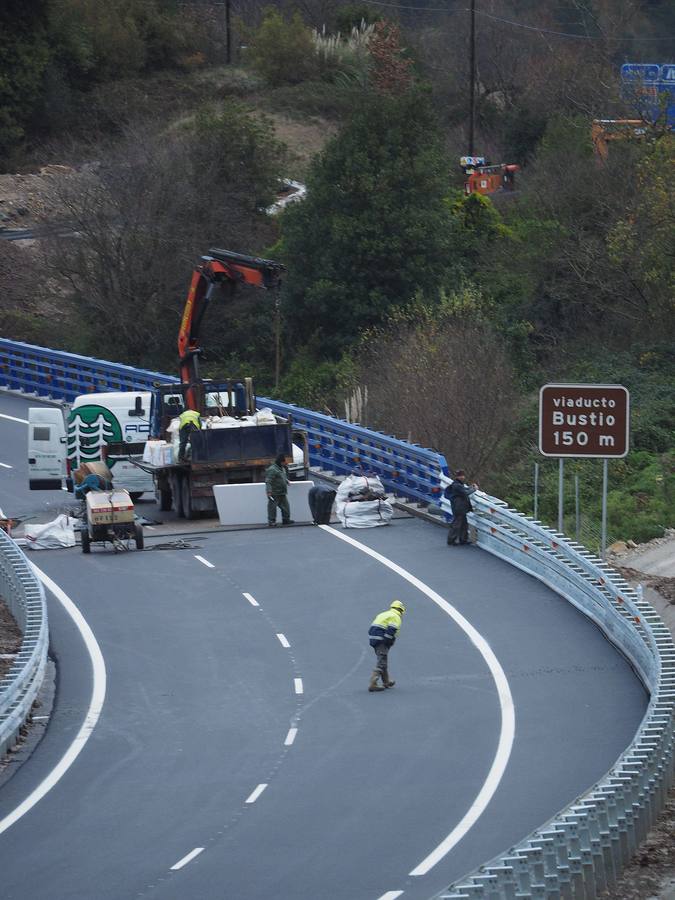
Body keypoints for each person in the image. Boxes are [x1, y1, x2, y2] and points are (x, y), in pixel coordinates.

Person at [367, 599, 406, 692]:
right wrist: (388, 642)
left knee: (383, 659)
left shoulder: (383, 614)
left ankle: (386, 681)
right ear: (401, 610)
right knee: (382, 661)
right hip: (381, 640)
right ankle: (373, 683)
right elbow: (391, 631)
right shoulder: (396, 617)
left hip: (373, 638)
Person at [445, 469, 478, 546]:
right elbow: (466, 492)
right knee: (457, 524)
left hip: (460, 507)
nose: (462, 477)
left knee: (463, 524)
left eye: (463, 475)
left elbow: (464, 490)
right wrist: (474, 489)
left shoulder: (458, 484)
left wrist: (470, 487)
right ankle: (451, 540)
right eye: (460, 476)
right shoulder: (456, 485)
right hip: (458, 507)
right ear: (457, 477)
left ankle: (463, 539)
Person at [265, 452, 294, 526]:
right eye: (284, 462)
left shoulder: (282, 468)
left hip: (282, 492)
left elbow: (282, 477)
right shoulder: (272, 469)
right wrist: (269, 491)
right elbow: (268, 481)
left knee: (286, 507)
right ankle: (271, 521)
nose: (286, 463)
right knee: (272, 508)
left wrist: (286, 481)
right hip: (275, 493)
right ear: (281, 462)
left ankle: (286, 519)